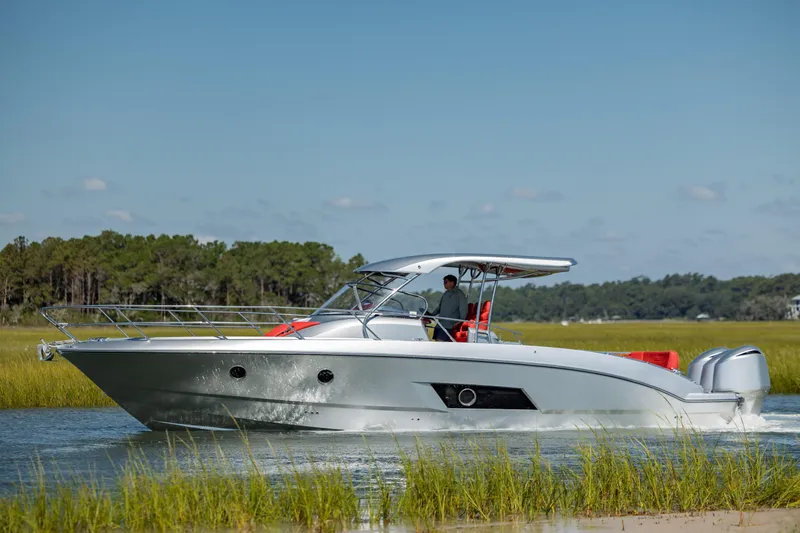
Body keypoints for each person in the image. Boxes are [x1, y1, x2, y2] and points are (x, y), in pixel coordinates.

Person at [427, 274, 468, 341]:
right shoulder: (446, 293)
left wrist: (458, 322)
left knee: (441, 342)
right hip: (440, 324)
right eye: (444, 282)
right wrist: (431, 315)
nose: (444, 284)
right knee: (436, 342)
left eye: (445, 282)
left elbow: (464, 310)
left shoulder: (459, 294)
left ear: (452, 283)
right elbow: (439, 307)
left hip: (449, 326)